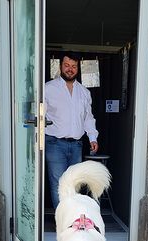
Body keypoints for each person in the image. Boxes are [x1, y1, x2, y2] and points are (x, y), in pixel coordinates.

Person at [44, 53, 99, 208]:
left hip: (76, 145)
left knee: (74, 184)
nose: (70, 69)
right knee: (59, 185)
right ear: (60, 66)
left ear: (78, 69)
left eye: (74, 66)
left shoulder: (84, 92)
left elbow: (88, 118)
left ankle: (72, 218)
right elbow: (39, 117)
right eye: (67, 65)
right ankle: (62, 223)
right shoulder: (48, 89)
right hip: (54, 144)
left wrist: (93, 138)